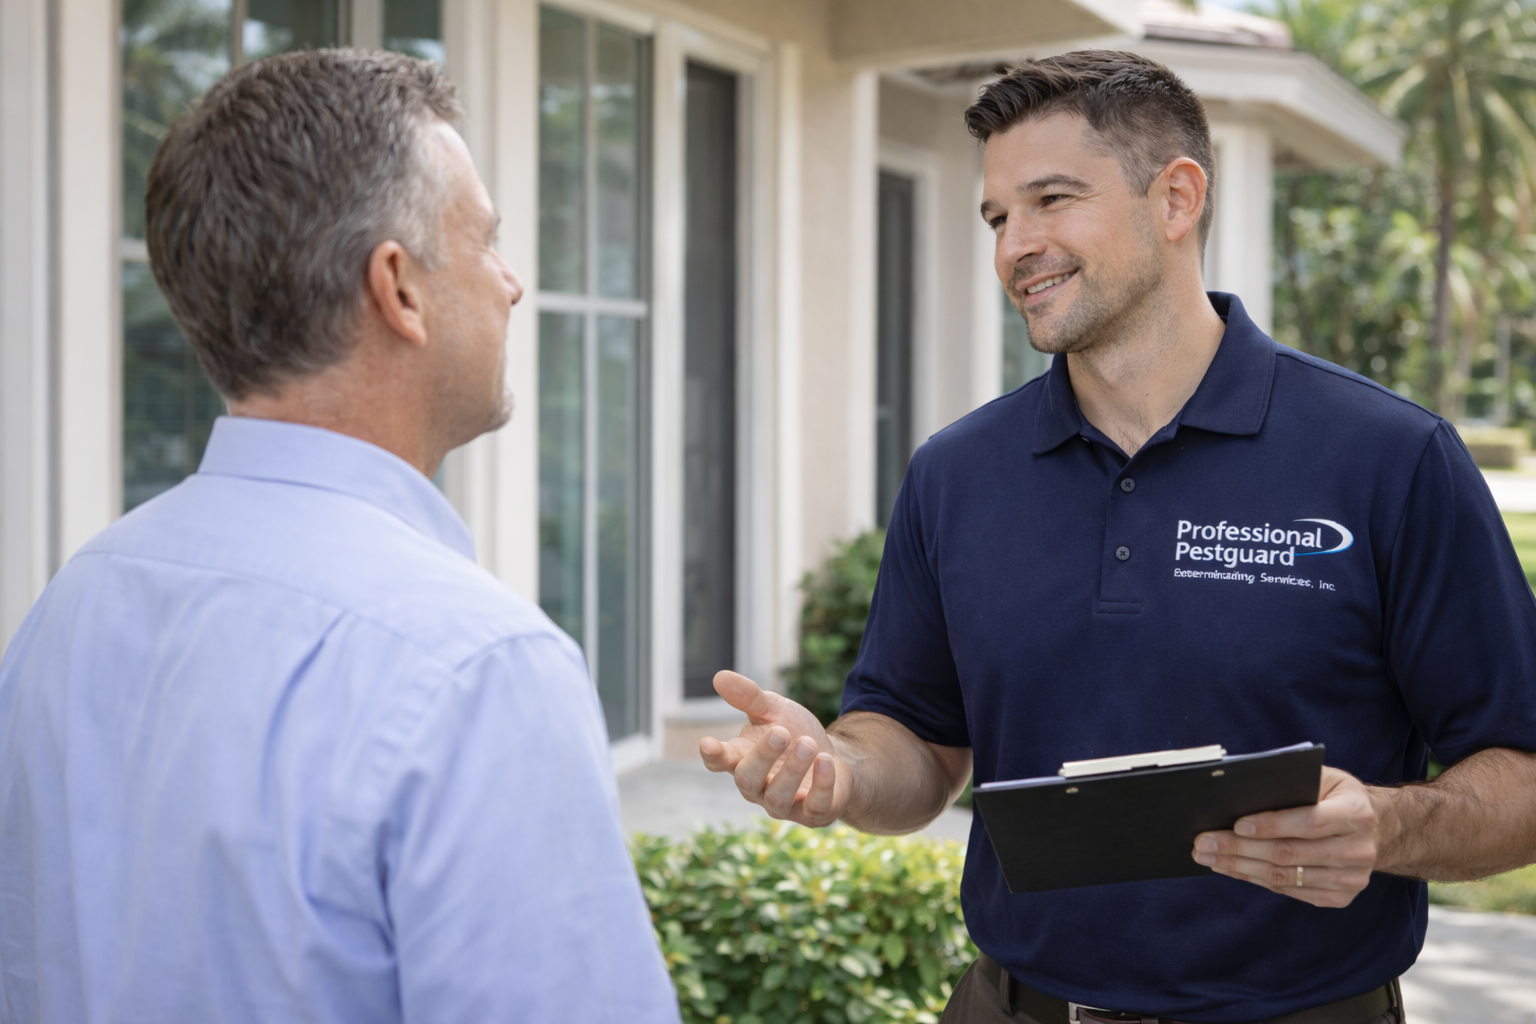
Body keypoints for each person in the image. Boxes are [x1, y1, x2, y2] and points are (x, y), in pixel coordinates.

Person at [700, 50, 1536, 1023]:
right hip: (1014, 1005)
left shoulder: (1392, 459)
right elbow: (918, 745)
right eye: (998, 217)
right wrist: (837, 769)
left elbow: (1519, 774)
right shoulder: (958, 472)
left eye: (1052, 200)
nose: (1017, 245)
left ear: (1176, 198)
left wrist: (1385, 826)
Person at [0, 50, 678, 1024]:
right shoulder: (479, 668)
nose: (514, 284)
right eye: (488, 241)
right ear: (398, 288)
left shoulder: (70, 608)